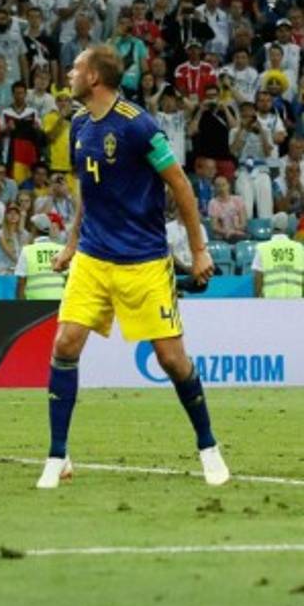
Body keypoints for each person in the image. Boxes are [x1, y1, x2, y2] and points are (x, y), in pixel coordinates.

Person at [37, 45, 228, 490]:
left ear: (95, 78)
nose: (69, 74)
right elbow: (88, 191)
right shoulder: (79, 124)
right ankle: (57, 455)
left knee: (171, 359)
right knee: (65, 343)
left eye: (76, 68)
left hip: (143, 262)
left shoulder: (139, 126)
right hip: (93, 258)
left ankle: (208, 446)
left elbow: (179, 184)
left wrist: (199, 250)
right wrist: (71, 244)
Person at [252, 212, 304, 298]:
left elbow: (258, 277)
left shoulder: (262, 248)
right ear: (287, 227)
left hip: (271, 300)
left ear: (271, 227)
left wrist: (257, 297)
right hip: (296, 300)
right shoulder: (299, 248)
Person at [15, 213, 65, 300]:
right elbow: (69, 279)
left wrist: (20, 305)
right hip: (60, 302)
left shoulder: (27, 251)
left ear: (34, 230)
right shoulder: (61, 249)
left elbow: (21, 282)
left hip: (34, 304)